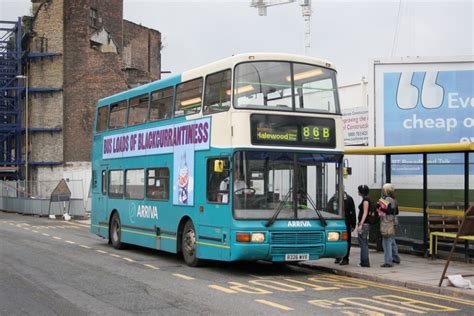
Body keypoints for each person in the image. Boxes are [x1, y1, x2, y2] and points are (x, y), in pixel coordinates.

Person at [378, 183, 401, 268]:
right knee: (392, 240)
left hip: (387, 222)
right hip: (394, 222)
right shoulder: (394, 199)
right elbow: (397, 211)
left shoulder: (387, 198)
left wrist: (379, 207)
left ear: (386, 190)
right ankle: (396, 258)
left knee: (386, 242)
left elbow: (388, 210)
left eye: (384, 190)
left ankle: (388, 261)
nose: (383, 191)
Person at [333, 191, 356, 265]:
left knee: (347, 241)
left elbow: (353, 212)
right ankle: (338, 256)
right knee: (336, 240)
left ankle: (346, 258)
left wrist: (353, 224)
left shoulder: (349, 199)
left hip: (346, 223)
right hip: (337, 223)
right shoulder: (334, 198)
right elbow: (329, 208)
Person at [357, 184, 371, 267]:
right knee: (364, 242)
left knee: (363, 243)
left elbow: (365, 213)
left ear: (361, 192)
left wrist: (360, 224)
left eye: (358, 190)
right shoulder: (366, 199)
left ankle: (364, 262)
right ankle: (364, 261)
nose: (357, 192)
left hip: (364, 224)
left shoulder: (365, 201)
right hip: (365, 224)